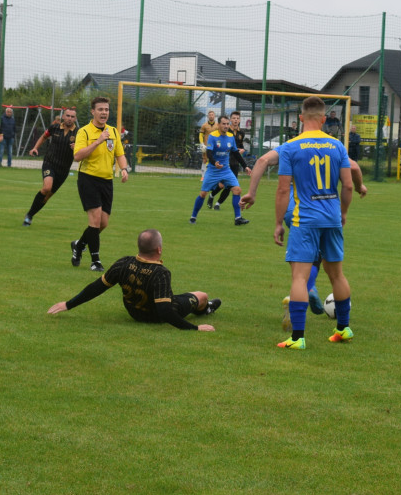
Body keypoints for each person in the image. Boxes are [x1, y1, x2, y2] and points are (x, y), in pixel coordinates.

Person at [241, 141, 366, 324]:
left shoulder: (291, 146)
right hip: (320, 210)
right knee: (323, 259)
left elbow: (261, 161)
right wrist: (359, 186)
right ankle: (307, 293)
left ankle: (304, 292)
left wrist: (252, 193)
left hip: (293, 208)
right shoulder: (331, 146)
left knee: (303, 259)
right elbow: (354, 167)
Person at [273, 96, 354, 350]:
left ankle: (297, 338)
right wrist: (342, 213)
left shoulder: (290, 147)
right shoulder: (337, 145)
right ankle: (343, 329)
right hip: (331, 217)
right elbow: (349, 184)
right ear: (323, 119)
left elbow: (283, 190)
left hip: (305, 219)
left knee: (299, 277)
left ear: (300, 118)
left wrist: (278, 223)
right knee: (337, 274)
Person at [49, 229, 221, 331]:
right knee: (201, 295)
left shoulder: (123, 263)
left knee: (172, 296)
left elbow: (97, 287)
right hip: (156, 316)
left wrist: (68, 304)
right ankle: (207, 309)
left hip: (135, 313)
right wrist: (195, 328)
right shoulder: (161, 272)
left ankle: (204, 308)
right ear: (159, 249)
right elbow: (165, 311)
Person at [71, 96, 129, 272]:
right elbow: (77, 156)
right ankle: (95, 261)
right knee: (95, 220)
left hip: (107, 180)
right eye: (100, 109)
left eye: (106, 110)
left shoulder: (113, 131)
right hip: (88, 178)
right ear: (93, 111)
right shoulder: (84, 132)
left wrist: (124, 169)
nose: (104, 113)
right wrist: (98, 141)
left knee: (103, 223)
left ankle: (79, 245)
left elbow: (119, 153)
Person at [190, 115, 251, 225]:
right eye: (224, 124)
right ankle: (193, 216)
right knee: (203, 194)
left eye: (228, 124)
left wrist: (245, 166)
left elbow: (236, 153)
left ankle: (238, 219)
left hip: (226, 170)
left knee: (237, 190)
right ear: (218, 125)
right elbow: (209, 153)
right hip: (213, 170)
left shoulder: (230, 137)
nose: (226, 126)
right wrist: (215, 163)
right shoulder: (213, 136)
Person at [23, 107, 78, 226]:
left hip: (63, 169)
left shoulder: (79, 133)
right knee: (46, 188)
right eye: (67, 116)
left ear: (75, 118)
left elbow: (82, 152)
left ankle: (30, 215)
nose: (69, 118)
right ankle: (29, 216)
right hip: (50, 163)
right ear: (63, 116)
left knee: (47, 197)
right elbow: (44, 136)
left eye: (72, 117)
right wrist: (35, 148)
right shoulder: (54, 127)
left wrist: (77, 148)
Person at [208, 111, 247, 210]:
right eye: (234, 118)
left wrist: (242, 150)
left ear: (240, 120)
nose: (236, 120)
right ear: (230, 120)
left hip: (235, 162)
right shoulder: (225, 130)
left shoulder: (241, 133)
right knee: (221, 185)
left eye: (237, 118)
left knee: (230, 186)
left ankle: (218, 204)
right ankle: (212, 195)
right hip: (226, 161)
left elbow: (240, 146)